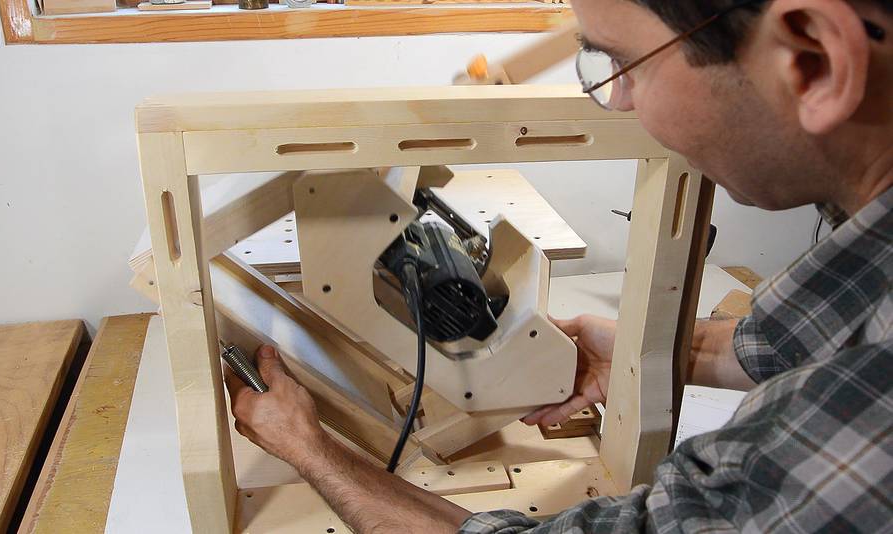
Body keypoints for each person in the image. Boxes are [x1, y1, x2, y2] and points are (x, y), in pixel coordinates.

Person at [224, 0, 892, 531]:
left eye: (625, 63)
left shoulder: (870, 426)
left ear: (815, 59)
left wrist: (314, 450)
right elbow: (785, 340)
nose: (620, 100)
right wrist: (640, 351)